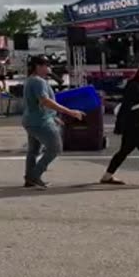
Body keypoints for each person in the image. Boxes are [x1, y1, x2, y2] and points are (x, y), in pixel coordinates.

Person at [21, 55, 84, 190]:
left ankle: (30, 178)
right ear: (38, 66)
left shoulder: (31, 80)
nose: (49, 69)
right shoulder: (38, 82)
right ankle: (34, 175)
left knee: (33, 151)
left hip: (31, 120)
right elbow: (45, 101)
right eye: (46, 66)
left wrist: (53, 116)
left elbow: (37, 103)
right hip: (41, 121)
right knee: (55, 148)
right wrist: (70, 111)